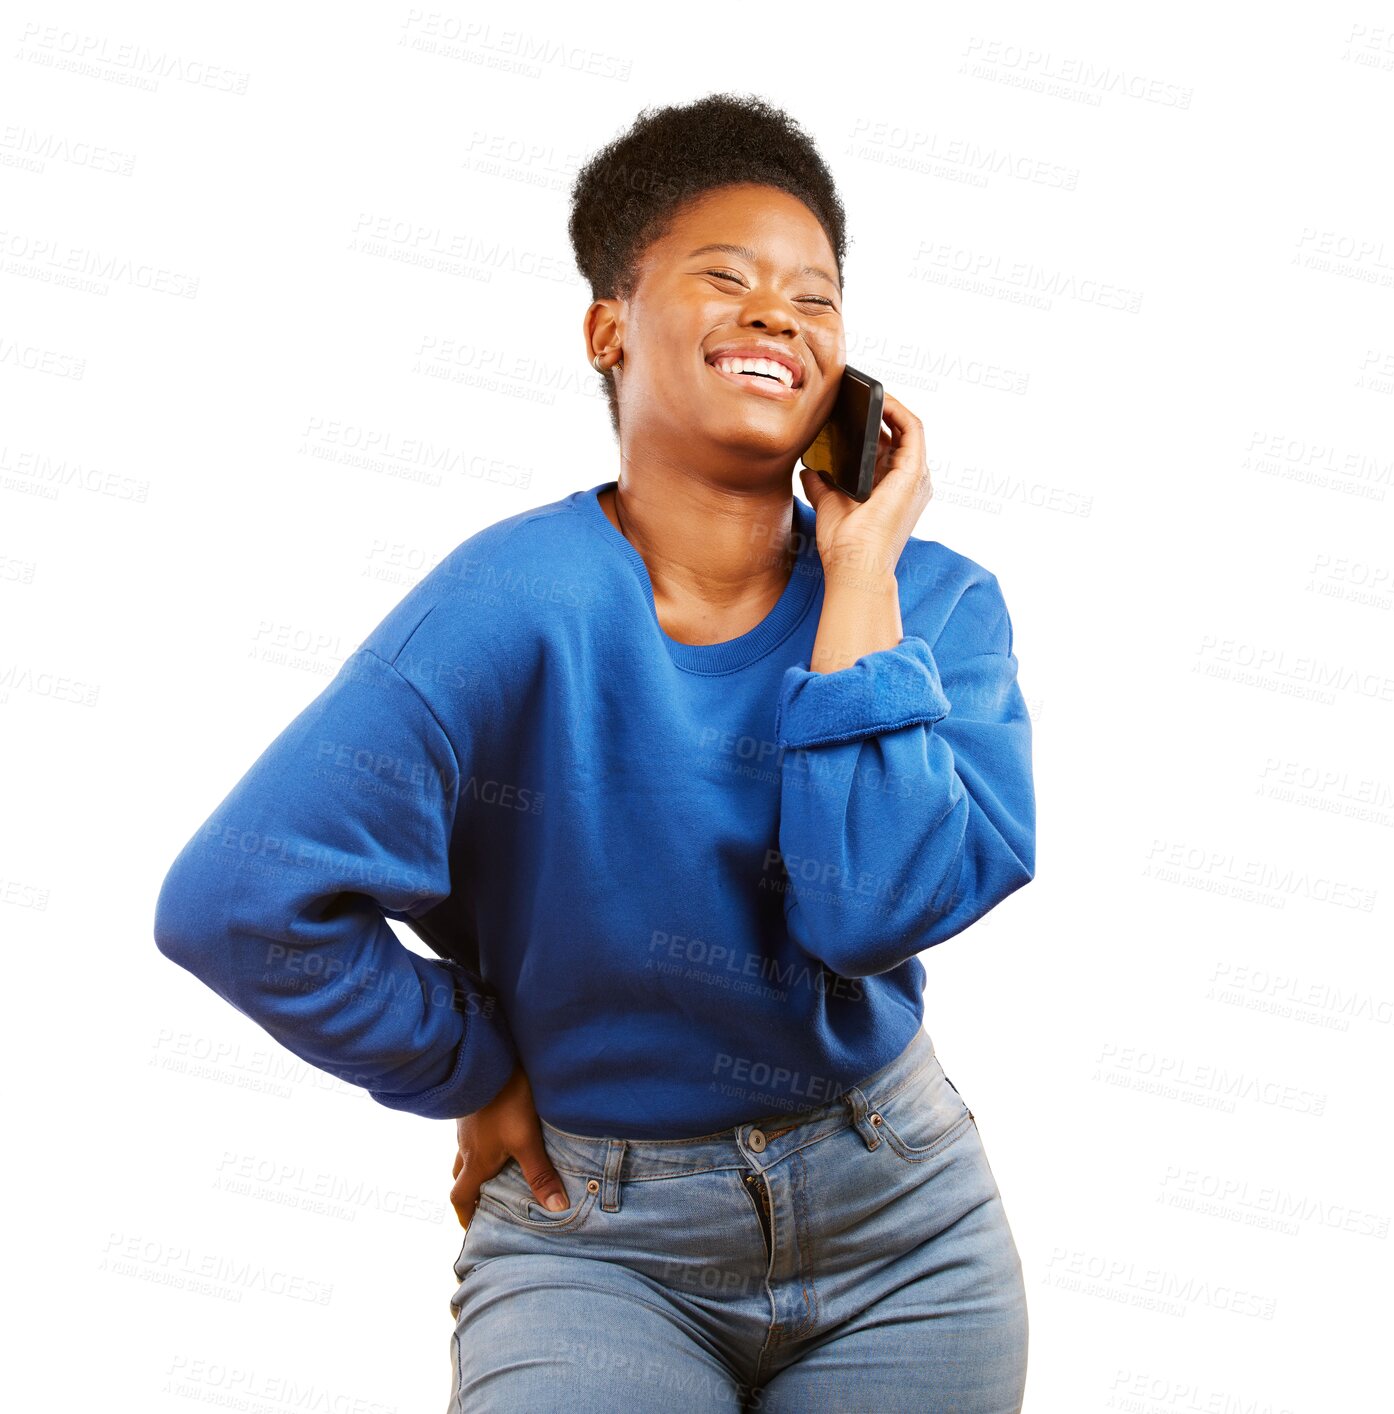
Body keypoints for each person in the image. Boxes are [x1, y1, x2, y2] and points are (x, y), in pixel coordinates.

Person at [153, 92, 1037, 1412]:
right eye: (723, 277)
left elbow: (866, 913)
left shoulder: (940, 607)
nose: (777, 316)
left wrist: (858, 571)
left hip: (904, 1227)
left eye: (815, 297)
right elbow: (235, 901)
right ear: (607, 327)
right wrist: (471, 1065)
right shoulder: (508, 601)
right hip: (598, 1235)